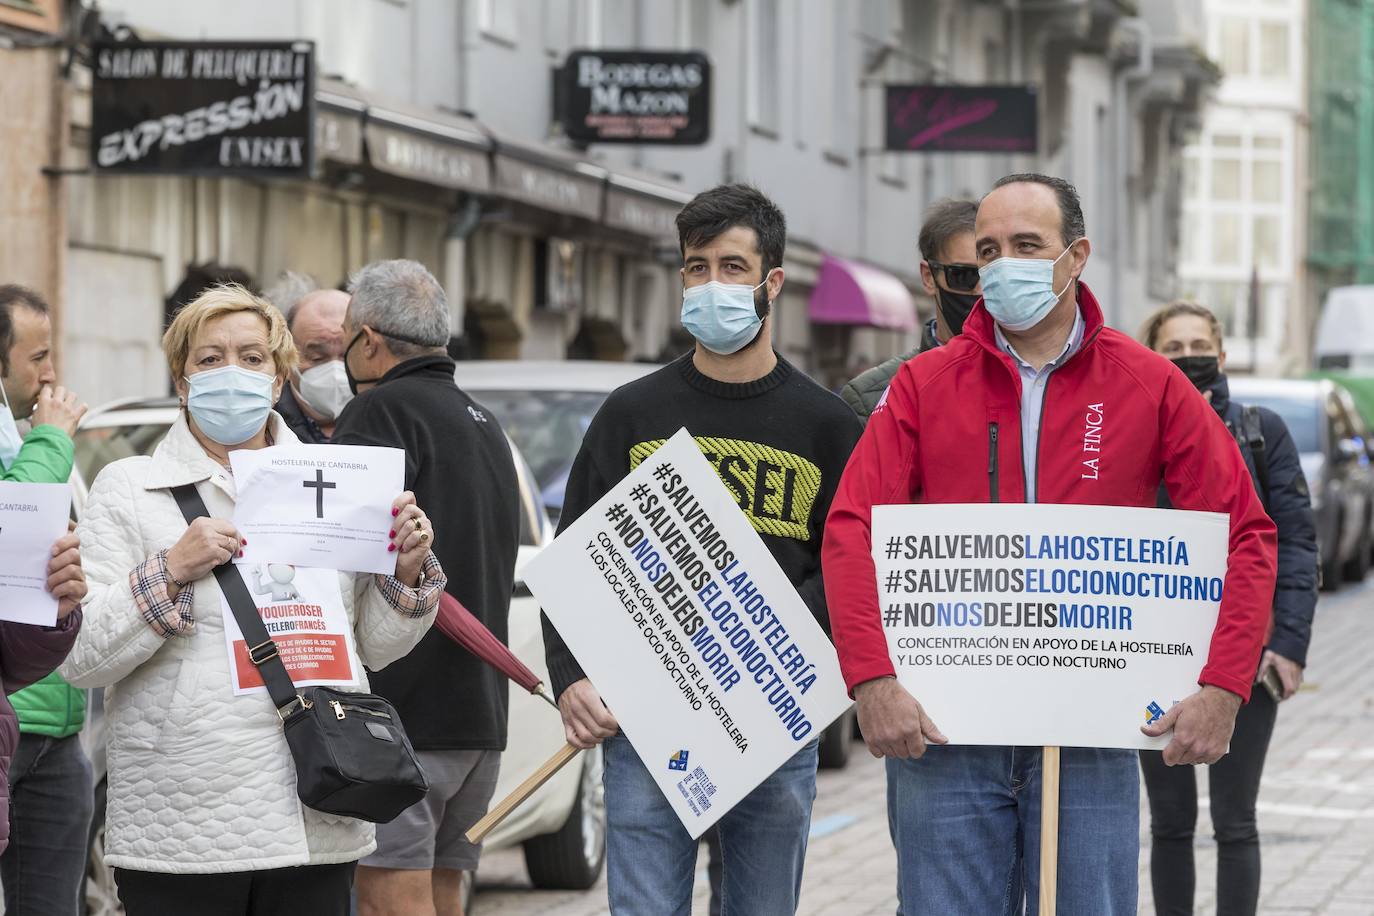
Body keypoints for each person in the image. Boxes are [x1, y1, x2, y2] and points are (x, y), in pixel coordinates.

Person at [821, 173, 1277, 915]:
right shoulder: (920, 387)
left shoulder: (1150, 385)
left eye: (1027, 246)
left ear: (1076, 257)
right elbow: (851, 528)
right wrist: (871, 681)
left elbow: (1248, 532)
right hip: (944, 732)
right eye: (990, 249)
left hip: (1091, 733)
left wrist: (1225, 687)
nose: (1003, 267)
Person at [59, 284, 445, 915]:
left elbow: (372, 646)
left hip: (315, 806)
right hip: (185, 824)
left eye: (251, 356)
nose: (231, 372)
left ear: (277, 377)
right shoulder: (131, 488)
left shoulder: (337, 482)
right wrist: (171, 571)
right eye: (209, 360)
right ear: (182, 383)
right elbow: (82, 659)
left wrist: (404, 571)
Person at [544, 183, 865, 916]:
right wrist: (572, 678)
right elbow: (574, 559)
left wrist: (776, 659)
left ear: (771, 282)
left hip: (776, 721)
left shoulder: (827, 425)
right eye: (696, 267)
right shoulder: (633, 413)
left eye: (731, 266)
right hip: (647, 719)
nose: (711, 284)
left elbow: (846, 566)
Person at [332, 260, 519, 916]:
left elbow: (340, 567)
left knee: (390, 901)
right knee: (444, 898)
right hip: (478, 719)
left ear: (370, 340)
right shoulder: (485, 422)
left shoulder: (378, 413)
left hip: (402, 714)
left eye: (344, 338)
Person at [1138, 301, 1318, 916]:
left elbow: (1296, 542)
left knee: (1236, 821)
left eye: (1198, 344)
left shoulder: (1260, 433)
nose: (1188, 356)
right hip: (1151, 657)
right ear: (1151, 356)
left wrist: (1288, 645)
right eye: (1172, 346)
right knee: (1170, 822)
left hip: (1247, 653)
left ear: (1221, 353)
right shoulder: (1132, 436)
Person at [0, 285, 95, 916]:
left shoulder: (31, 436)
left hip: (60, 732)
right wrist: (53, 441)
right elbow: (13, 529)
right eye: (37, 358)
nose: (51, 373)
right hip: (14, 719)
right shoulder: (44, 442)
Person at [840, 199, 980, 421]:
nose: (980, 291)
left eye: (993, 278)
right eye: (963, 276)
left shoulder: (1031, 380)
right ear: (928, 277)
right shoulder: (871, 397)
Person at [275, 285, 353, 443]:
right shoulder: (266, 428)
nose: (335, 371)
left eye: (346, 356)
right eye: (317, 357)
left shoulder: (389, 420)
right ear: (286, 356)